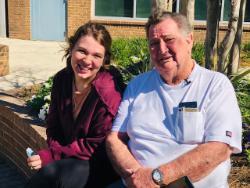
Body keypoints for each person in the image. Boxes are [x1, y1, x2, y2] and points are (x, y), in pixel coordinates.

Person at [106, 11, 242, 188]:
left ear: (189, 40)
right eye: (154, 43)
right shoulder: (137, 86)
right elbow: (114, 139)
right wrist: (137, 176)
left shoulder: (215, 85)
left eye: (169, 39)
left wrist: (157, 177)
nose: (162, 49)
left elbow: (219, 148)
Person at [25, 22, 123, 188]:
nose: (87, 60)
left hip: (100, 163)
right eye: (82, 51)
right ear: (71, 49)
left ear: (104, 59)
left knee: (50, 176)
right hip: (71, 160)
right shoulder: (62, 80)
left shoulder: (108, 92)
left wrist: (53, 156)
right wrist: (55, 154)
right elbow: (53, 126)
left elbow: (97, 143)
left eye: (96, 56)